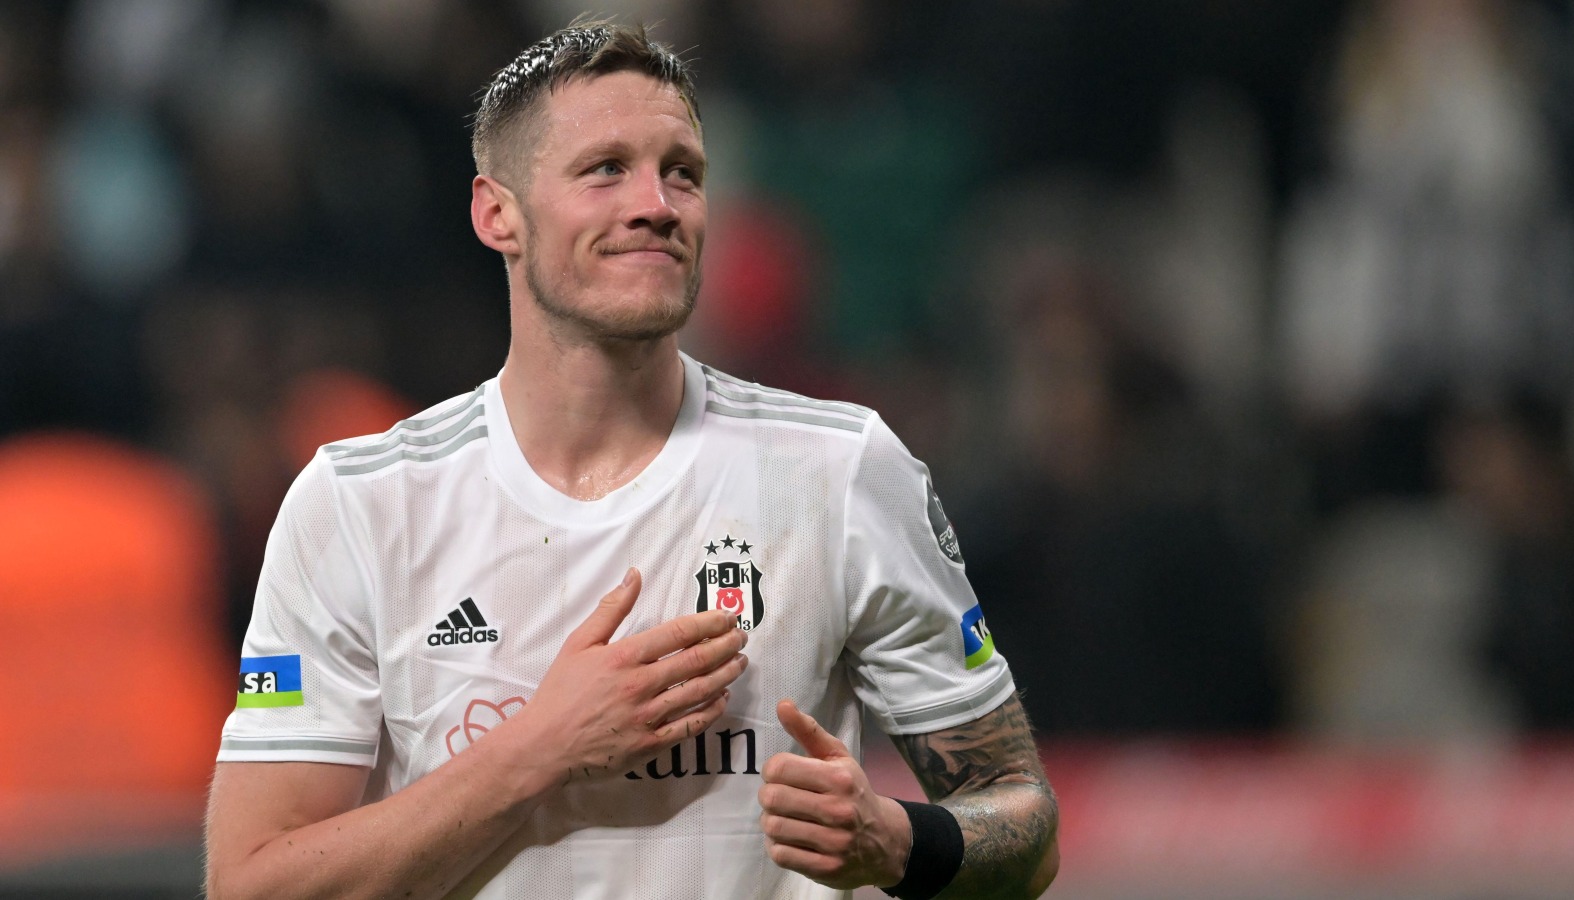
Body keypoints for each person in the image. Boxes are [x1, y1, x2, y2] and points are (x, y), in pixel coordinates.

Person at [204, 19, 1058, 900]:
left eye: (681, 171)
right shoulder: (360, 503)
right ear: (498, 213)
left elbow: (1026, 828)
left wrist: (901, 840)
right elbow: (254, 885)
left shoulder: (837, 471)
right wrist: (543, 748)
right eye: (605, 168)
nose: (656, 202)